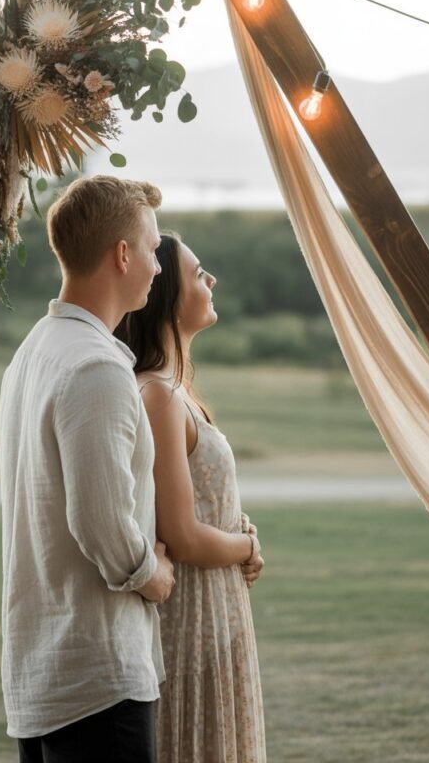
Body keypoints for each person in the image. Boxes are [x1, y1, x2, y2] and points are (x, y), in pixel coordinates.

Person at [0, 175, 176, 763]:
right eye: (152, 249)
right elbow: (100, 520)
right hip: (97, 678)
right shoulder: (95, 366)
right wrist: (152, 575)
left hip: (45, 671)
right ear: (122, 254)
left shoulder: (34, 351)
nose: (157, 266)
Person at [115, 232, 266, 763]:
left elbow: (202, 501)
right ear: (168, 298)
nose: (212, 279)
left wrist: (238, 528)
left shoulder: (177, 390)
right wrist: (246, 548)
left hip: (219, 606)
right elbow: (179, 535)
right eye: (199, 274)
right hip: (194, 615)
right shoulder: (157, 394)